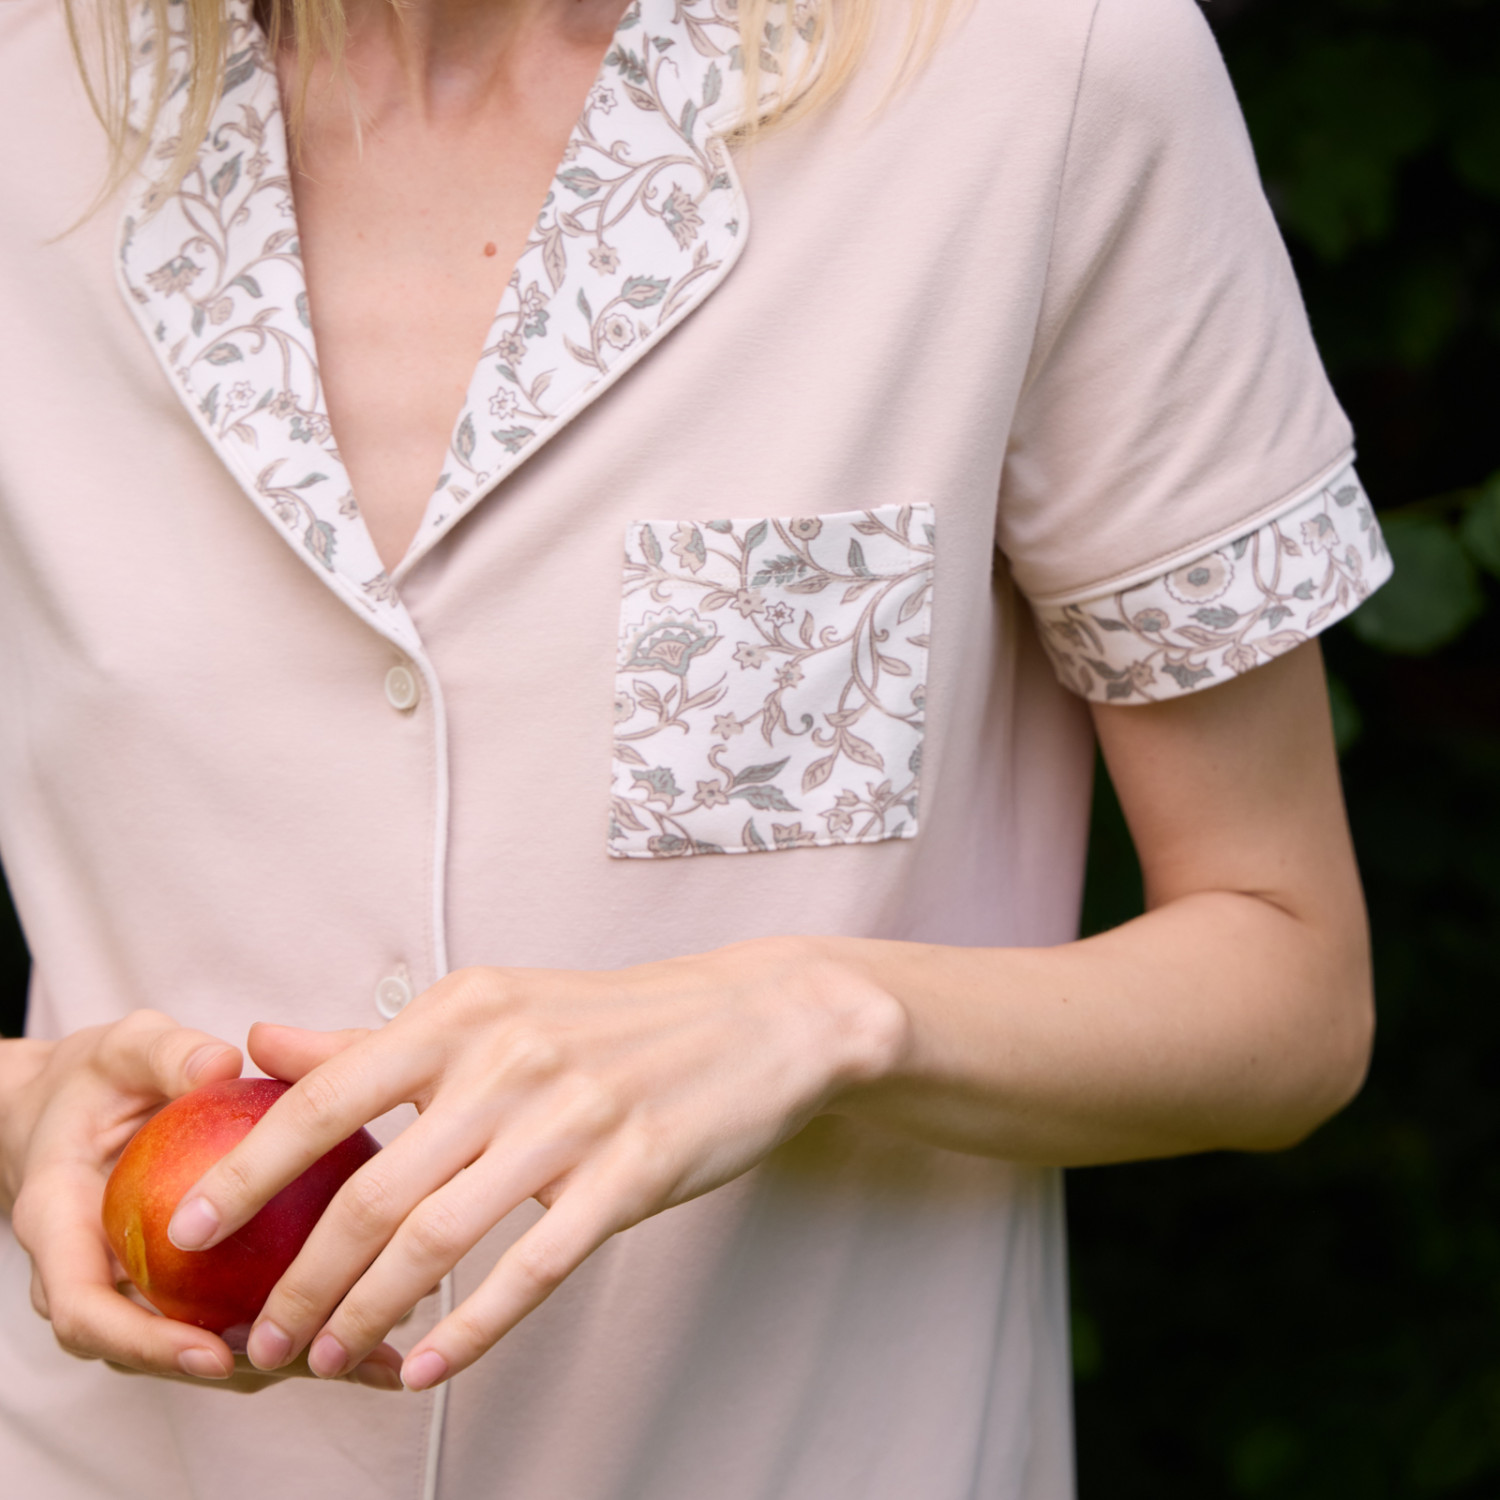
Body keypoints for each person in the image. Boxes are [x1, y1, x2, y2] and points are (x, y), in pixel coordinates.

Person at [0, 0, 1391, 1492]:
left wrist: (820, 1012)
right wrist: (22, 1105)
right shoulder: (32, 87)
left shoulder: (1048, 68)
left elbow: (1290, 989)